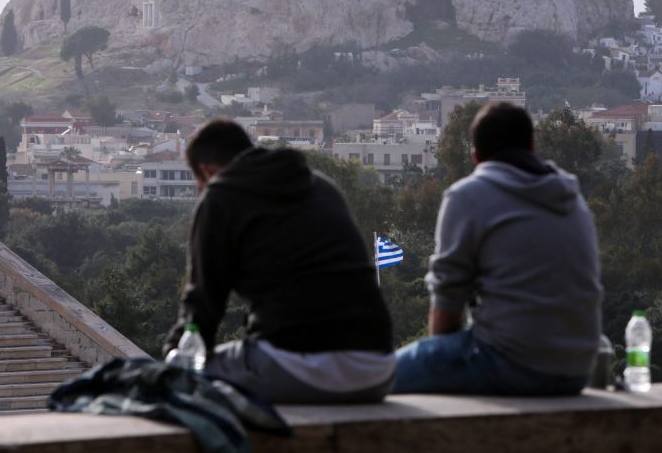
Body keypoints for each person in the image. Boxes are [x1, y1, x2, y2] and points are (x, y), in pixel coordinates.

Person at [164, 118, 395, 403]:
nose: (201, 192)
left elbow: (202, 305)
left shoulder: (220, 195)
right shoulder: (321, 185)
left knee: (180, 378)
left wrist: (171, 359)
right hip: (378, 367)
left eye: (198, 184)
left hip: (296, 366)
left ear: (207, 171)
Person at [392, 102, 602, 395]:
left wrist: (441, 366)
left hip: (508, 364)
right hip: (577, 368)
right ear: (532, 145)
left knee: (377, 378)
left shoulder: (467, 196)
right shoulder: (571, 197)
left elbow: (448, 299)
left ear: (476, 156)